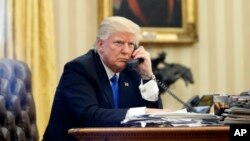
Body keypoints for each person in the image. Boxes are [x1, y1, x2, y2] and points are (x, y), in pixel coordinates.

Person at [43, 16, 165, 141]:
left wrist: (147, 76)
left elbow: (155, 118)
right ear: (100, 45)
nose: (126, 51)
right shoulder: (79, 69)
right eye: (119, 43)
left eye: (131, 44)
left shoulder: (132, 71)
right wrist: (140, 113)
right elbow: (90, 116)